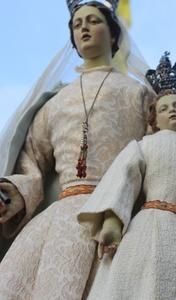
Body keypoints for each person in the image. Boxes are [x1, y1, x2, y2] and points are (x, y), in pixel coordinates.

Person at [0, 1, 155, 299]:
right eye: (76, 24)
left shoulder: (138, 93)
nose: (83, 27)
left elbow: (156, 152)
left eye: (93, 21)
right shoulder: (56, 101)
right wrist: (12, 193)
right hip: (61, 220)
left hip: (118, 215)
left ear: (112, 35)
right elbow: (31, 161)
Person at [77, 54, 176, 299]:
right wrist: (113, 222)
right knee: (132, 279)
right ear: (154, 119)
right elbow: (124, 178)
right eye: (164, 109)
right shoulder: (144, 145)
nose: (172, 111)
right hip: (145, 224)